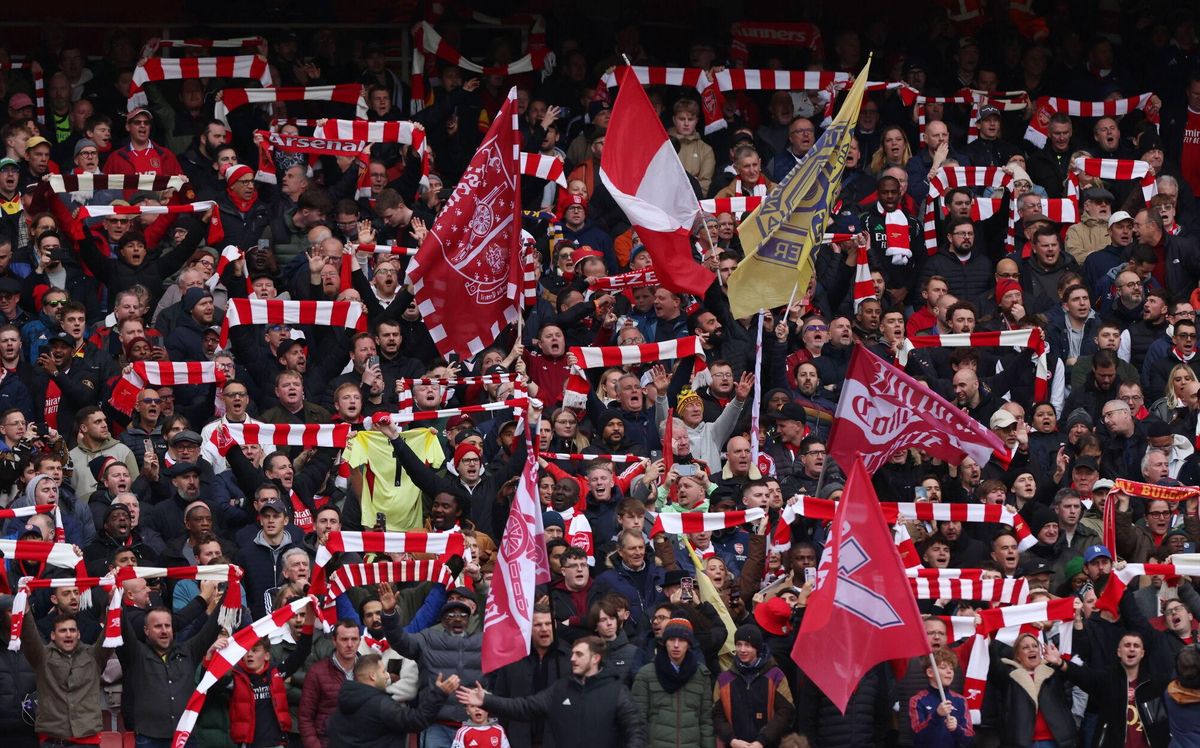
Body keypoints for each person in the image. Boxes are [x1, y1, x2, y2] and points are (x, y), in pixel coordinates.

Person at [455, 636, 647, 748]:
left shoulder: (617, 692)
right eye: (572, 653)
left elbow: (636, 731)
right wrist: (487, 700)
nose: (572, 659)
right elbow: (523, 707)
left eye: (579, 654)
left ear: (595, 658)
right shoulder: (561, 689)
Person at [326, 654, 460, 748]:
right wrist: (439, 694)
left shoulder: (342, 703)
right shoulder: (381, 705)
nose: (387, 676)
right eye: (383, 671)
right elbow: (416, 720)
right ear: (372, 676)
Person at [631, 617, 713, 748]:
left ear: (689, 644)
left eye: (681, 640)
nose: (676, 645)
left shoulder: (701, 675)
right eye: (671, 639)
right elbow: (637, 721)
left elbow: (706, 721)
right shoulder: (646, 674)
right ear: (664, 642)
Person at [908, 648, 974, 747]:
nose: (949, 671)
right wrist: (937, 715)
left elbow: (969, 739)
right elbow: (918, 736)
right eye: (943, 667)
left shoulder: (960, 700)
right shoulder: (917, 700)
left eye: (951, 668)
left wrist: (956, 729)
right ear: (930, 673)